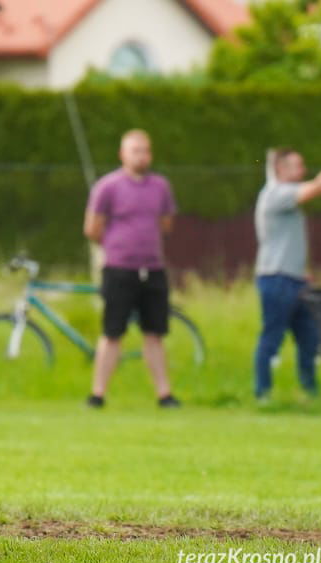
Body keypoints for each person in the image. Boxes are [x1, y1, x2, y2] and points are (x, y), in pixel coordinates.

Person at [83, 130, 180, 409]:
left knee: (155, 333)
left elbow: (166, 224)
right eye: (135, 150)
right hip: (119, 269)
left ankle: (164, 394)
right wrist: (118, 246)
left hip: (153, 269)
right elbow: (93, 228)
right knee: (113, 332)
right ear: (122, 154)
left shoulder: (160, 186)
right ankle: (98, 393)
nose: (142, 155)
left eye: (146, 150)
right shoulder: (108, 187)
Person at [253, 148, 321, 401]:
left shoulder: (286, 197)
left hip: (295, 280)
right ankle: (262, 394)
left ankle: (310, 394)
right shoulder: (276, 195)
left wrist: (303, 273)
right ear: (280, 170)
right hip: (276, 279)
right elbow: (318, 187)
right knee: (272, 338)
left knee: (309, 339)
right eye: (297, 166)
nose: (302, 171)